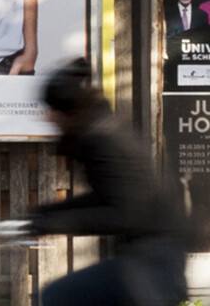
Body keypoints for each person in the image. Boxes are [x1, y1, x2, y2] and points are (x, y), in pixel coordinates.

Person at [12, 58, 189, 305]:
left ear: (68, 110)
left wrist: (53, 222)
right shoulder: (98, 132)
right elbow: (107, 197)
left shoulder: (105, 140)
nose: (47, 118)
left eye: (50, 110)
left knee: (58, 295)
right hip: (150, 257)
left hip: (151, 262)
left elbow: (125, 213)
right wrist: (47, 213)